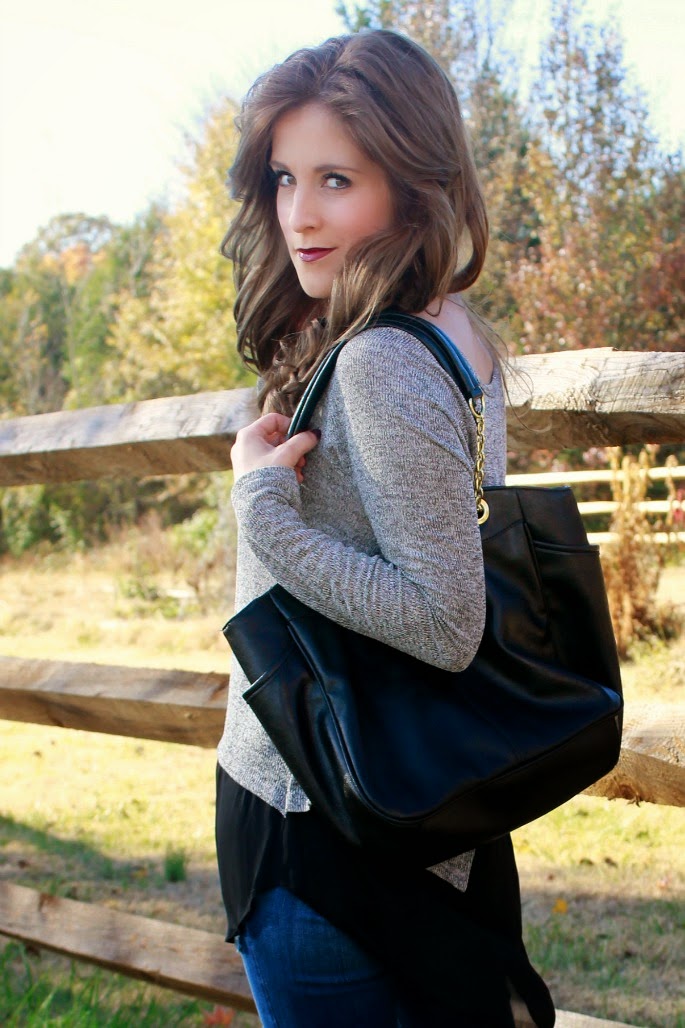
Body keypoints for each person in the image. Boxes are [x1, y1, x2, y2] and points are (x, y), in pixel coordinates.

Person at [215, 29, 555, 1028]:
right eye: (285, 178)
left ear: (413, 185)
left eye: (336, 179)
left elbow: (444, 619)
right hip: (417, 801)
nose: (299, 215)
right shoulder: (453, 332)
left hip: (327, 824)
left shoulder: (381, 360)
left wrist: (261, 503)